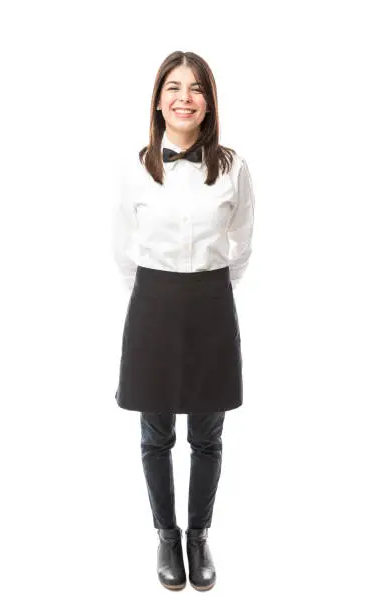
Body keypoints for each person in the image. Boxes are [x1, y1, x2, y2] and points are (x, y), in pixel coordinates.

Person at [112, 50, 255, 591]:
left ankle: (198, 535)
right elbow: (121, 249)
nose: (184, 97)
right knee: (155, 436)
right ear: (158, 100)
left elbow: (243, 241)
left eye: (195, 88)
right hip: (152, 303)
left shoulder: (233, 166)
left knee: (208, 437)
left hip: (212, 303)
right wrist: (159, 294)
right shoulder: (134, 166)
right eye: (173, 87)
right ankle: (166, 536)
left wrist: (209, 288)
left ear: (209, 102)